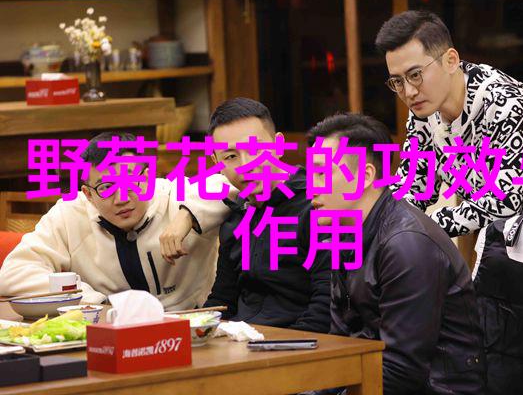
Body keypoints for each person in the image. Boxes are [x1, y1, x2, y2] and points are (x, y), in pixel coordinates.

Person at [376, 10, 523, 249]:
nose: (409, 92)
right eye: (397, 81)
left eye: (415, 75)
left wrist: (421, 226)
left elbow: (503, 201)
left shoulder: (508, 105)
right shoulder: (424, 111)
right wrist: (377, 222)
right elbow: (414, 187)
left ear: (450, 60)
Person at [308, 113, 486, 394]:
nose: (312, 187)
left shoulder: (406, 244)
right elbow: (341, 341)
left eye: (322, 173)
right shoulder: (345, 234)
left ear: (365, 176)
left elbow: (402, 371)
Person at [0, 132, 234, 310]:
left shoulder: (174, 195)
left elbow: (231, 185)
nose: (122, 198)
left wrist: (186, 216)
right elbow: (13, 273)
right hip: (110, 328)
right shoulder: (69, 214)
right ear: (88, 194)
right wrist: (93, 300)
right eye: (106, 187)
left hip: (194, 327)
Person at [203, 97, 331, 333]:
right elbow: (222, 300)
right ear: (217, 162)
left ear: (278, 145)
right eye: (231, 156)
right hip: (243, 340)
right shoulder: (235, 216)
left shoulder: (317, 206)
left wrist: (278, 347)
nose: (246, 165)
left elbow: (327, 304)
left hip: (300, 342)